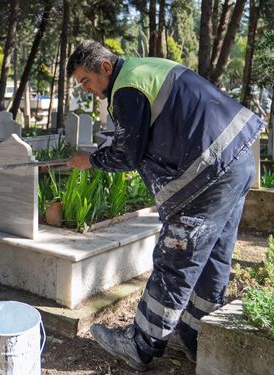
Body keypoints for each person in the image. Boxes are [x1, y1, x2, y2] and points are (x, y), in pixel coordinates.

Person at [65, 40, 264, 371]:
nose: (87, 90)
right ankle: (194, 335)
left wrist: (90, 159)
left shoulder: (127, 87)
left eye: (86, 81)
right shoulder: (144, 69)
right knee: (214, 255)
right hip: (236, 159)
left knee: (178, 256)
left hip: (207, 171)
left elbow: (127, 153)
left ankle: (140, 343)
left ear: (104, 67)